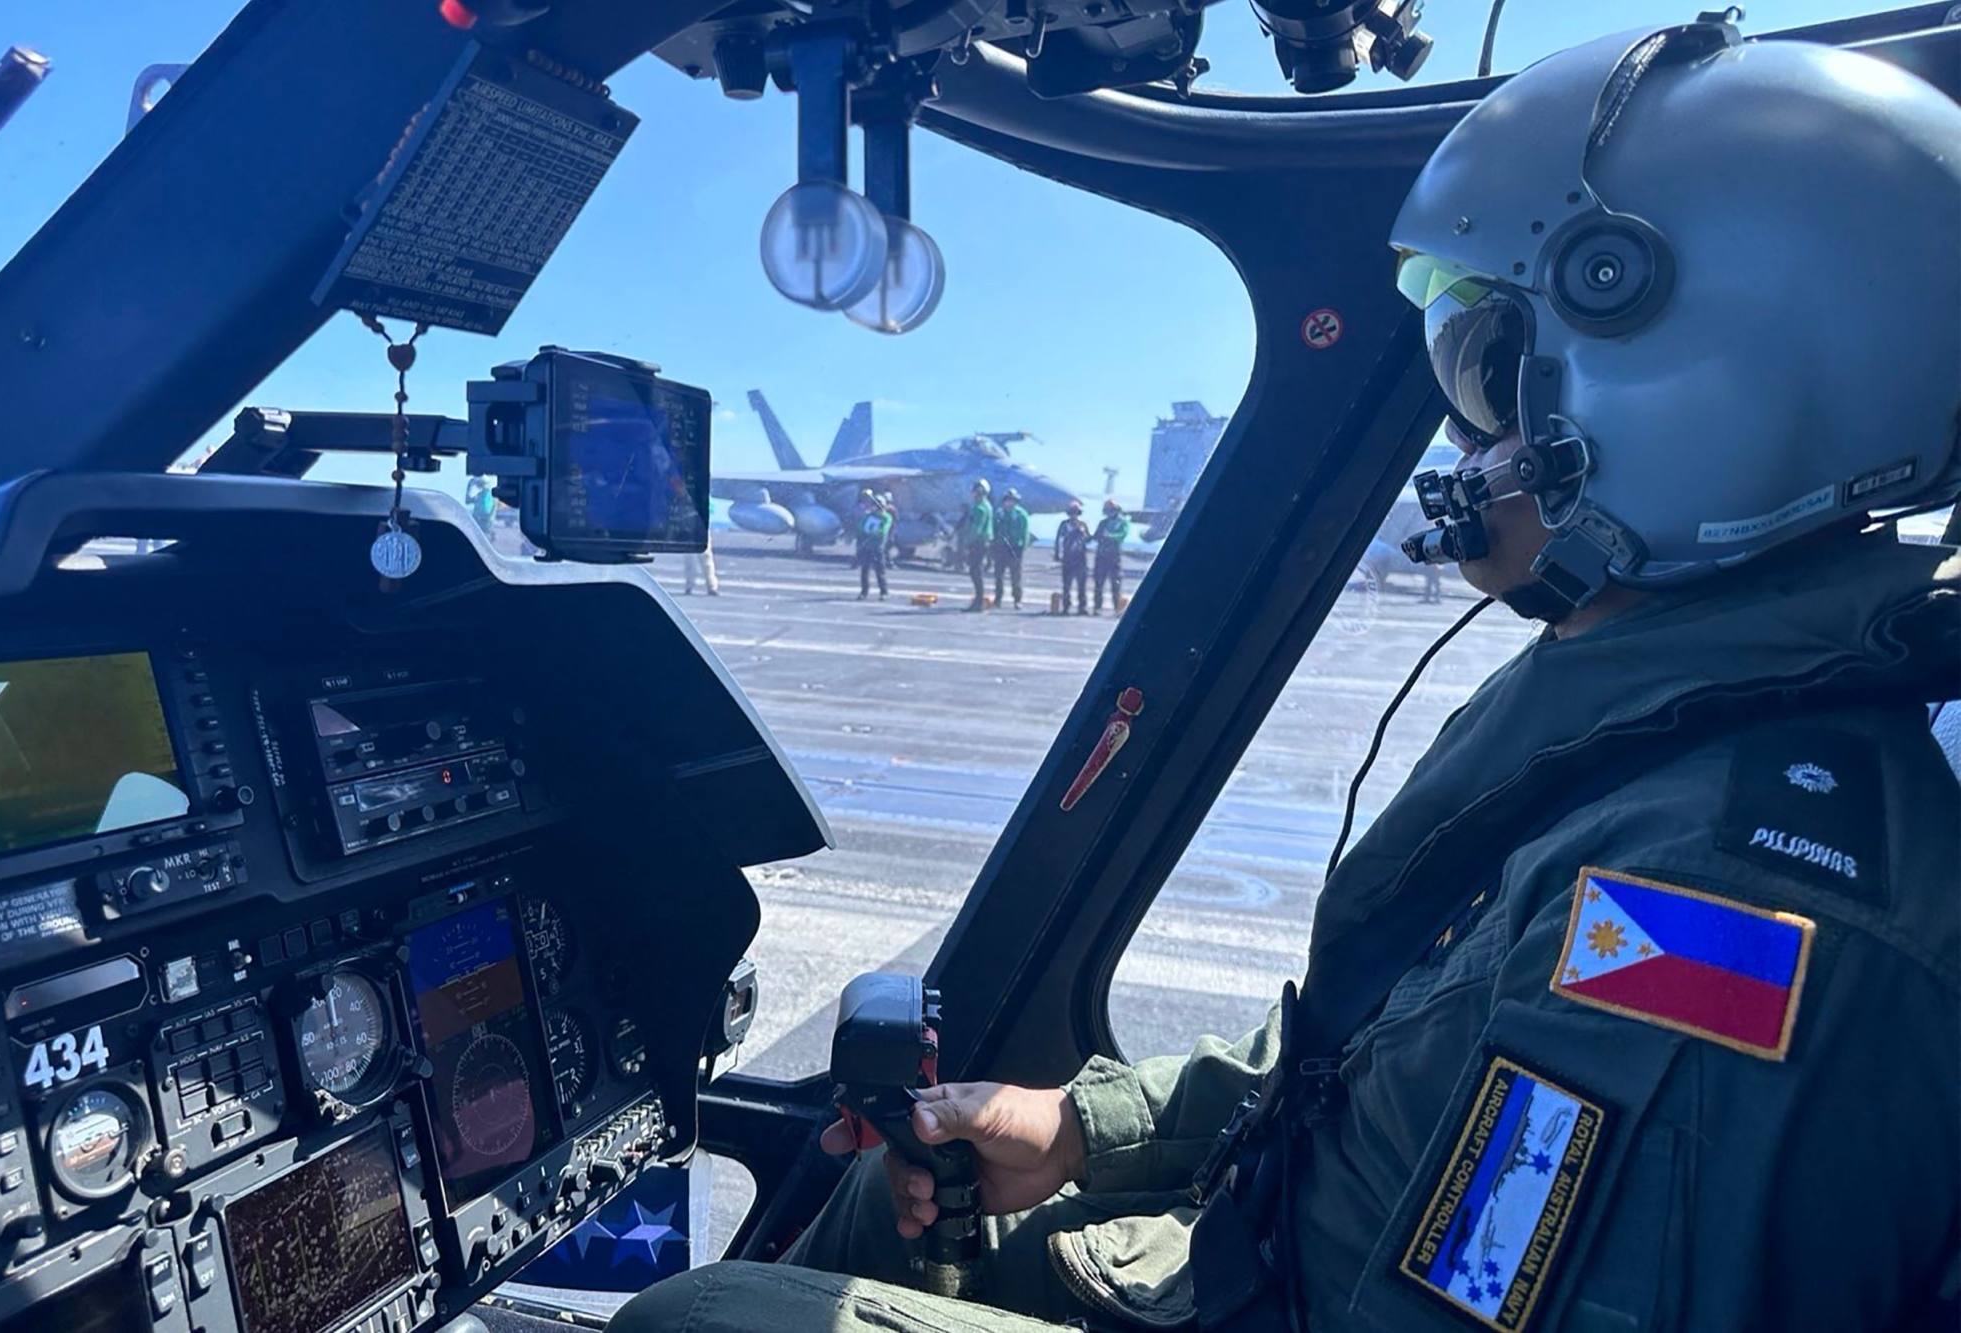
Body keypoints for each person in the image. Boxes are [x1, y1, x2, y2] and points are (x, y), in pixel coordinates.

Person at [615, 20, 1960, 1333]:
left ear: (1684, 387)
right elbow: (1392, 1058)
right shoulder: (1650, 732)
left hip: (1294, 1283)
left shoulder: (1718, 911)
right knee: (876, 1205)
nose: (1460, 438)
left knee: (704, 1315)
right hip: (1274, 1252)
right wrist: (1086, 1123)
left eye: (1485, 374)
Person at [992, 488, 1030, 610]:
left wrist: (1022, 547)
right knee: (998, 576)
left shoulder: (1021, 514)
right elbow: (994, 529)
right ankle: (998, 599)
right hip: (1001, 548)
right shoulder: (999, 513)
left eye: (1012, 500)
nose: (1009, 502)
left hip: (1015, 548)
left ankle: (1017, 600)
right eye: (1007, 500)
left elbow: (1025, 533)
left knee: (1016, 577)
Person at [959, 478, 994, 612]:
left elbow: (976, 528)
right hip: (983, 542)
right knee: (976, 571)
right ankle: (978, 601)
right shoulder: (986, 506)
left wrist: (968, 542)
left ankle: (978, 602)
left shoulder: (980, 508)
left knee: (975, 572)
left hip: (978, 542)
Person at [1092, 498, 1130, 614]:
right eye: (1108, 510)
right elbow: (1096, 536)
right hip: (1101, 556)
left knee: (1116, 583)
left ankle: (1117, 609)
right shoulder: (1102, 523)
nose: (1110, 512)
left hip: (1114, 557)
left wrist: (1109, 536)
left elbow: (1122, 535)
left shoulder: (1123, 522)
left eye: (1112, 509)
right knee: (1099, 583)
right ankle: (1097, 608)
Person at [1054, 500, 1090, 616]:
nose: (1074, 515)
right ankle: (1066, 607)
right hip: (1068, 558)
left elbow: (1088, 539)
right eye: (1072, 513)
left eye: (1076, 513)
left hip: (1081, 558)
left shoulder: (1083, 525)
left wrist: (1083, 534)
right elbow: (1059, 539)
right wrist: (1057, 554)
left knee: (1082, 585)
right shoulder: (1064, 525)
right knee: (1067, 585)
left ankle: (1082, 607)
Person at [855, 490, 890, 601]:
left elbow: (883, 531)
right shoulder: (869, 516)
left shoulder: (886, 517)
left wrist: (871, 531)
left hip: (877, 548)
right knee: (864, 571)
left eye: (877, 505)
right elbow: (860, 526)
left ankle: (883, 592)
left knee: (880, 571)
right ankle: (864, 592)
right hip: (867, 547)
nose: (875, 507)